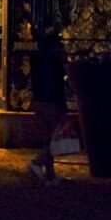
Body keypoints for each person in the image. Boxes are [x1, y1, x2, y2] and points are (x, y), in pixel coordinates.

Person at [28, 27, 67, 185]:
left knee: (47, 139)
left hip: (39, 101)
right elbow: (57, 86)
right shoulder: (55, 63)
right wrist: (63, 107)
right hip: (51, 102)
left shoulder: (37, 60)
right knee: (52, 140)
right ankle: (38, 163)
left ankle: (50, 175)